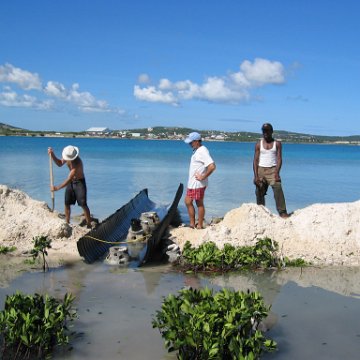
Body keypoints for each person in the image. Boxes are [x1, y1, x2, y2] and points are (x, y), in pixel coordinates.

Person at [48, 145, 93, 227]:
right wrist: (52, 154)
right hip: (71, 182)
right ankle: (67, 222)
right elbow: (60, 163)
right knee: (67, 203)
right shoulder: (68, 157)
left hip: (80, 182)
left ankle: (89, 224)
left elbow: (69, 179)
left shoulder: (77, 163)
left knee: (83, 204)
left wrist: (57, 188)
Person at [253, 123, 290, 218]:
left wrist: (277, 172)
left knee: (278, 188)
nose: (265, 133)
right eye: (263, 131)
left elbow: (279, 159)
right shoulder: (258, 144)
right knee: (259, 190)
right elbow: (255, 160)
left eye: (267, 130)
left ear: (271, 131)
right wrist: (256, 176)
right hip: (261, 169)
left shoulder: (277, 144)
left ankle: (282, 212)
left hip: (272, 170)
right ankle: (261, 211)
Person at [184, 132, 216, 229]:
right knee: (194, 202)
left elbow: (212, 166)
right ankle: (194, 224)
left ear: (197, 141)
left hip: (197, 184)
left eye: (191, 142)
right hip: (195, 183)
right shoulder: (198, 150)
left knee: (190, 202)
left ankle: (197, 225)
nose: (190, 144)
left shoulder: (202, 151)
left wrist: (203, 177)